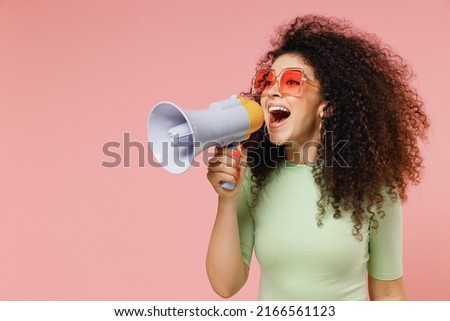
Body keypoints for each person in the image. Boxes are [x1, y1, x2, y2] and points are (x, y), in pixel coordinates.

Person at [205, 15, 429, 300]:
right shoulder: (252, 175)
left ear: (327, 105)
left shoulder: (373, 184)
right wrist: (226, 200)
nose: (272, 91)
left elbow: (388, 294)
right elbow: (225, 285)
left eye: (291, 82)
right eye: (267, 80)